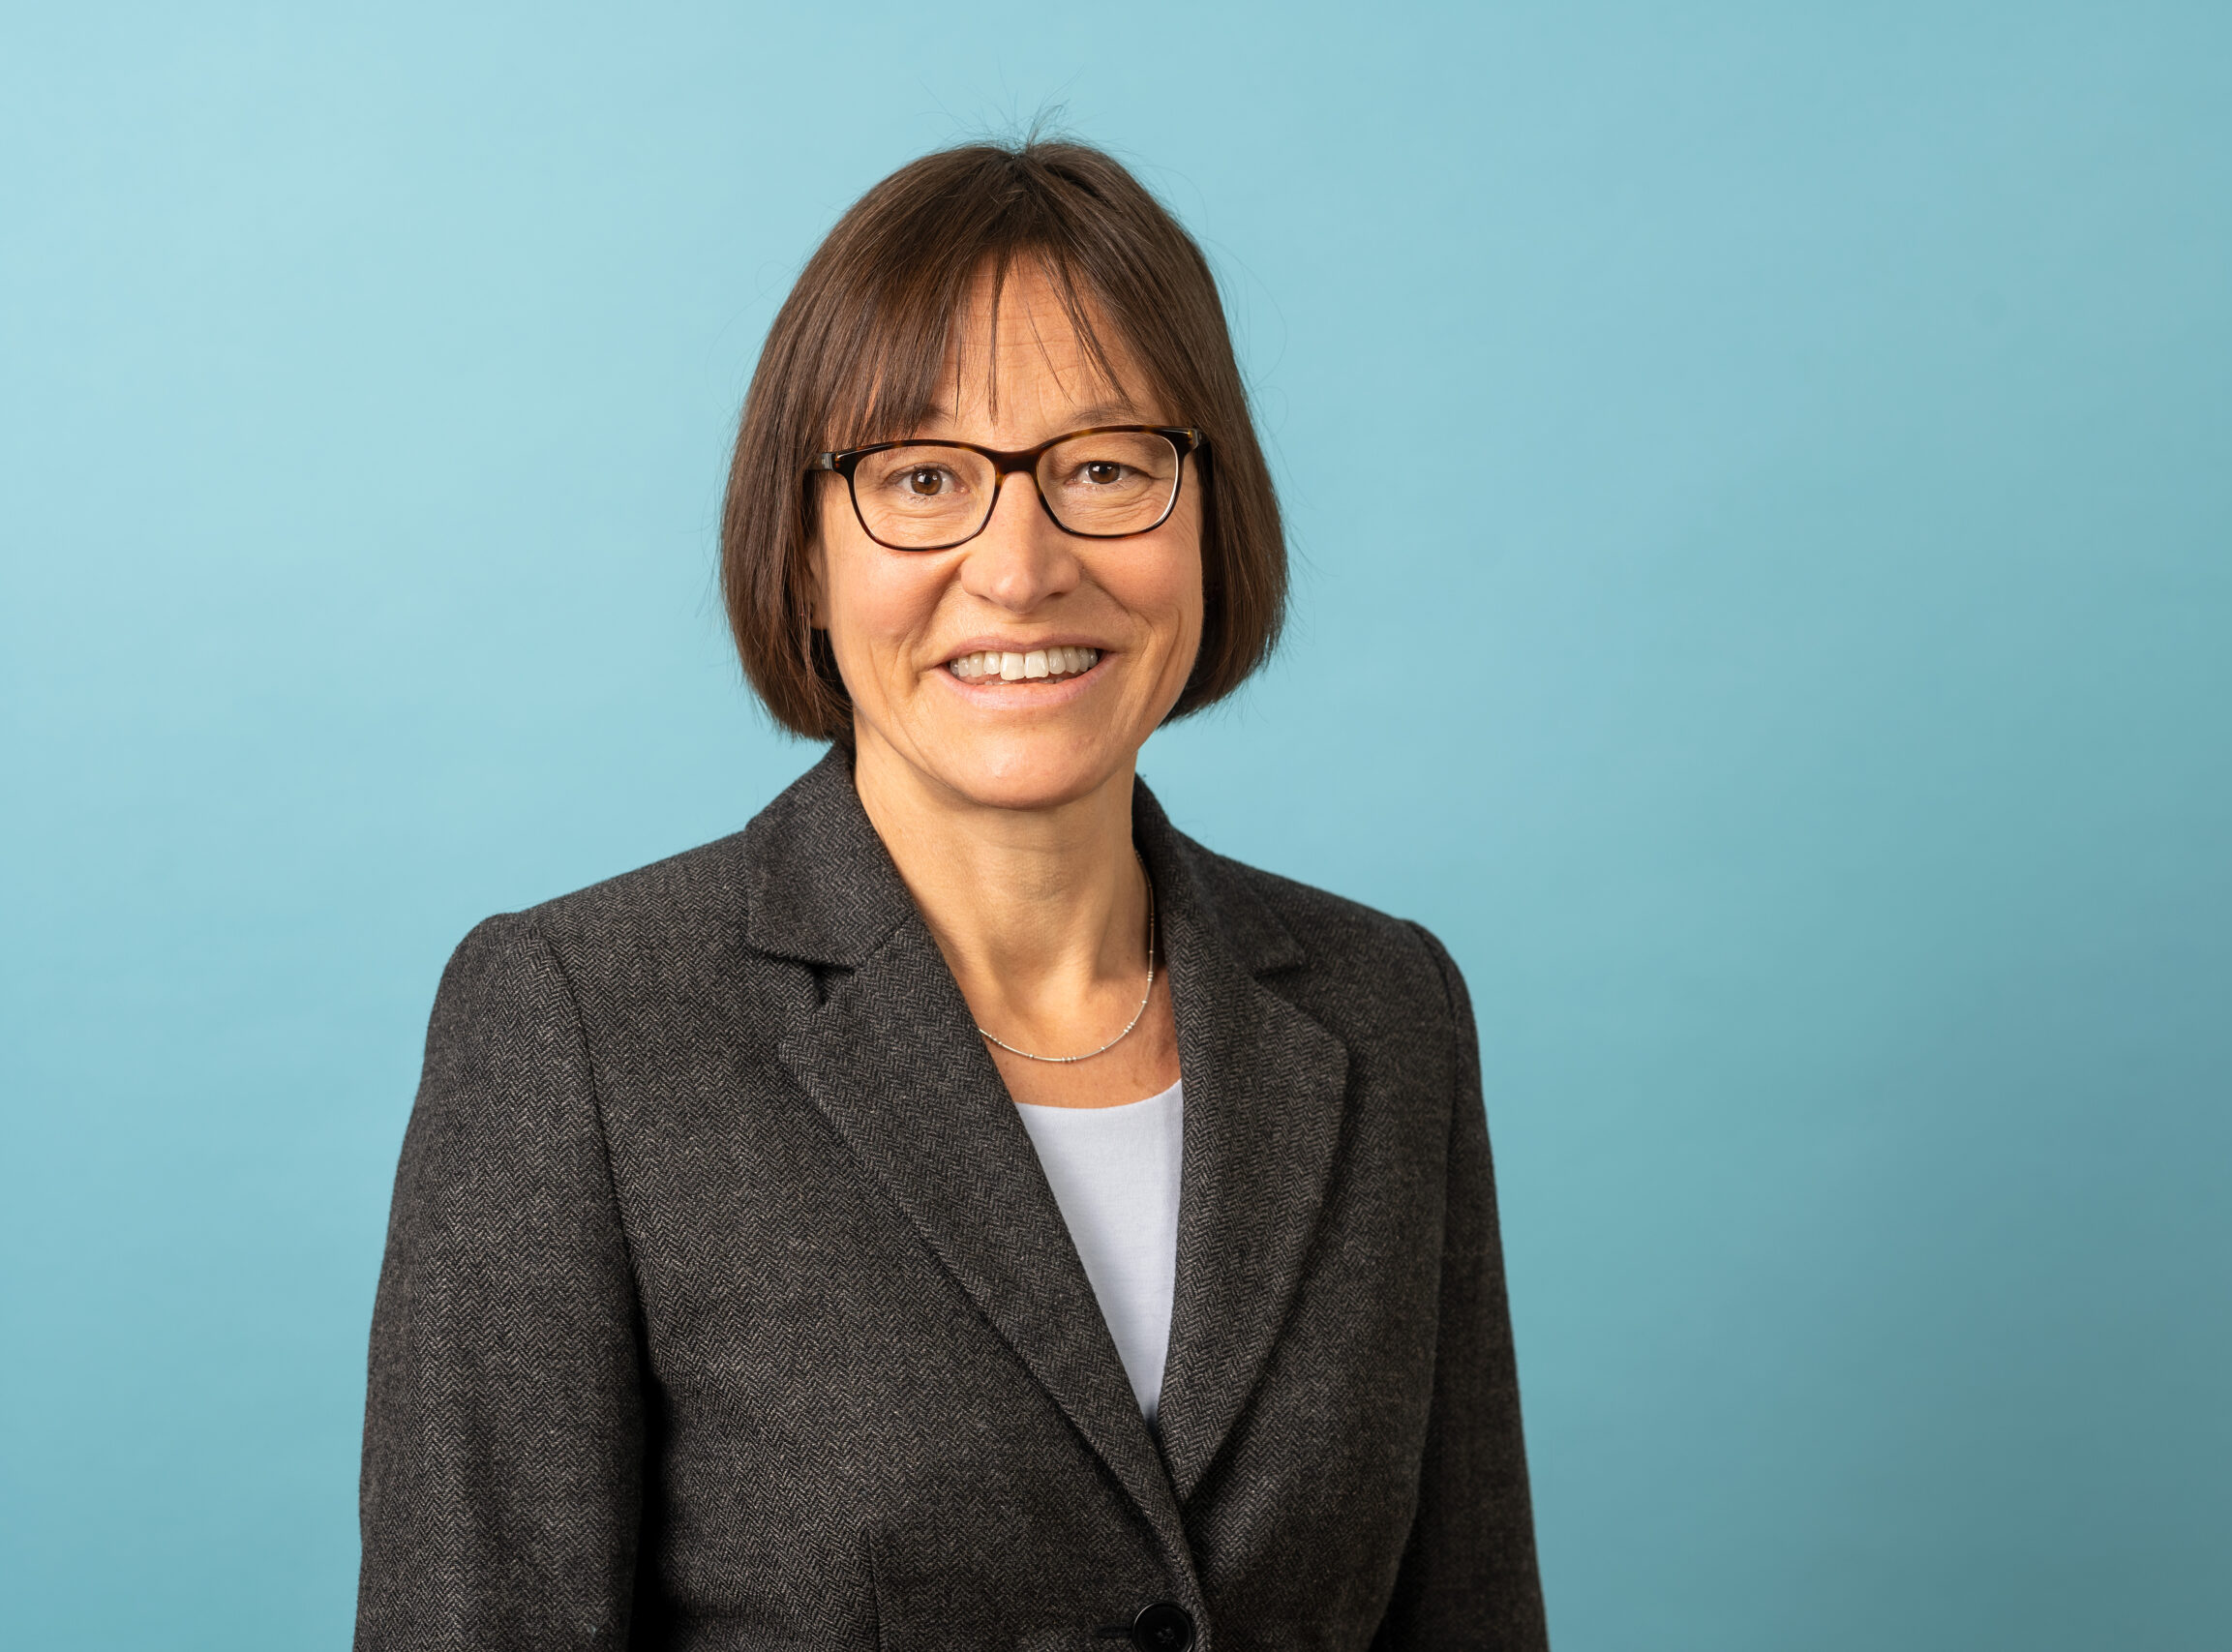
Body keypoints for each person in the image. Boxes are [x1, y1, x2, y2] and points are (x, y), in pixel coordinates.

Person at [355, 138, 1547, 1651]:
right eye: (923, 479)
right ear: (804, 554)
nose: (1021, 566)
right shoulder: (580, 1026)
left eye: (1105, 466)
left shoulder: (1391, 1011)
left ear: (1210, 514)